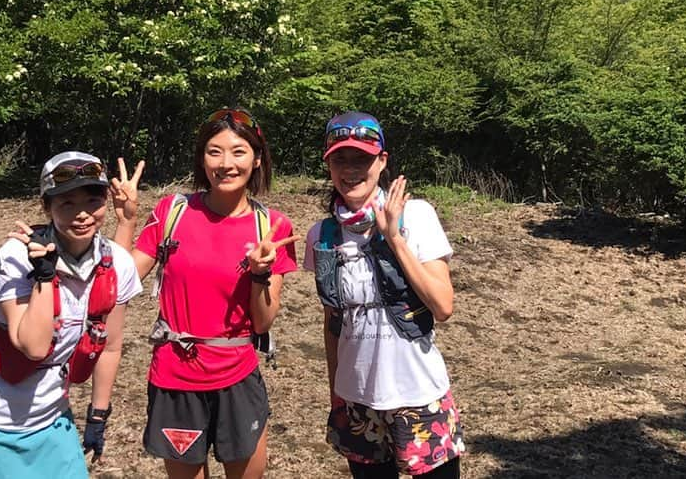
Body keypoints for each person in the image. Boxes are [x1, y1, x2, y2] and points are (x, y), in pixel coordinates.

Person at [0, 151, 144, 478]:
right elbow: (34, 346)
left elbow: (109, 344)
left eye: (93, 201)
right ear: (46, 206)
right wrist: (44, 275)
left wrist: (98, 414)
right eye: (66, 203)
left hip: (51, 418)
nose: (82, 214)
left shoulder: (117, 263)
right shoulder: (16, 256)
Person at [115, 107, 298, 479]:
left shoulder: (272, 226)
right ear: (202, 158)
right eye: (214, 151)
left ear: (257, 158)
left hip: (237, 378)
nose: (226, 163)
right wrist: (126, 221)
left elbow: (262, 322)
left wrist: (260, 273)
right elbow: (119, 283)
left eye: (238, 151)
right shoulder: (172, 212)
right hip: (174, 377)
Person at [304, 112, 464, 478]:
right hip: (356, 399)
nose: (350, 169)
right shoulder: (322, 235)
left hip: (419, 394)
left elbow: (443, 306)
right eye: (340, 159)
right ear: (328, 164)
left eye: (361, 158)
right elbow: (333, 322)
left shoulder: (417, 216)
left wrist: (393, 238)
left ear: (382, 162)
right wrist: (336, 395)